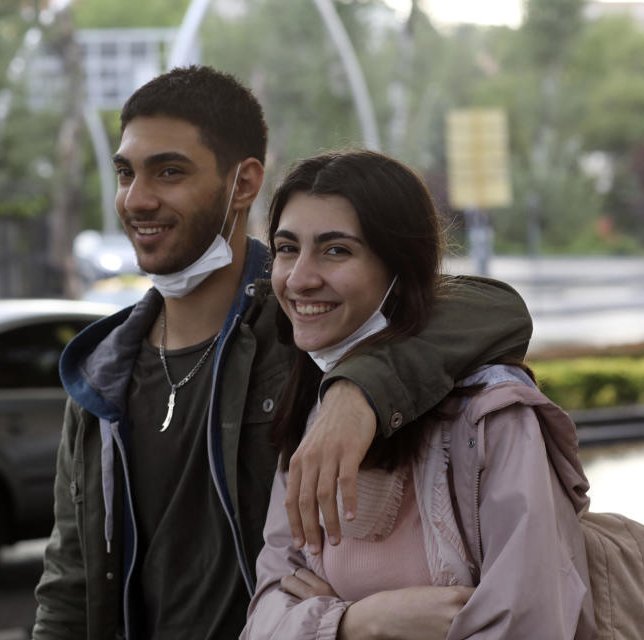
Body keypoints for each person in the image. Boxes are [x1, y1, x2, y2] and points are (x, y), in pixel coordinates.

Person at [32, 67, 533, 639]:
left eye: (169, 171)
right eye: (126, 172)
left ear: (243, 183)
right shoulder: (100, 371)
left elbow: (492, 308)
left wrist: (358, 390)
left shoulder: (303, 328)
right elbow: (69, 588)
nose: (136, 199)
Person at [242, 150, 596, 639]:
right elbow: (263, 620)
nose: (300, 277)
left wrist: (311, 620)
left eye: (336, 250)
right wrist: (358, 622)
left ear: (400, 267)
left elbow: (529, 622)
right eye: (286, 248)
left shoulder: (490, 417)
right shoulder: (312, 412)